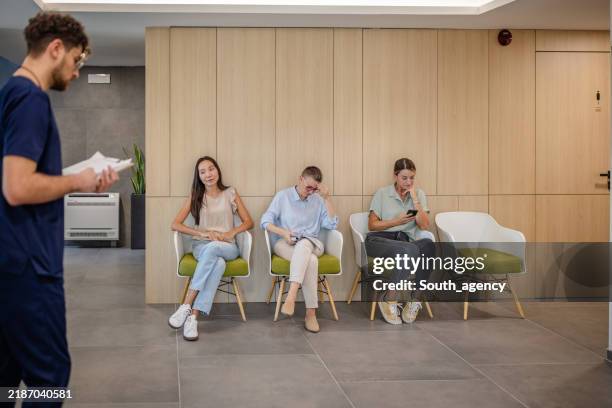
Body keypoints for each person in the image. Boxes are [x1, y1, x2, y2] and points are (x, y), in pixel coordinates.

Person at [0, 12, 119, 405]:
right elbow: (17, 187)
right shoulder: (31, 99)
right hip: (30, 269)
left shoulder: (9, 94)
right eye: (76, 60)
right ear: (55, 48)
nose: (77, 72)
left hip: (10, 263)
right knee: (49, 376)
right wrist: (80, 181)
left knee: (8, 373)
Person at [168, 156, 253, 341]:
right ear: (198, 177)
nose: (208, 174)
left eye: (211, 169)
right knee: (219, 264)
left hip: (228, 246)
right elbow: (175, 224)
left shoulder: (230, 193)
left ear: (218, 170)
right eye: (203, 172)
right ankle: (193, 318)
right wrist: (202, 234)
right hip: (201, 246)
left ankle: (186, 304)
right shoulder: (196, 196)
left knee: (216, 249)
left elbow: (249, 222)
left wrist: (231, 232)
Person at [260, 166, 338, 333]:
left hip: (312, 243)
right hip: (286, 243)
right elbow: (265, 221)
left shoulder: (318, 200)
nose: (310, 191)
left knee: (305, 244)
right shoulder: (283, 196)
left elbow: (331, 224)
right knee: (310, 261)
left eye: (314, 188)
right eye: (308, 187)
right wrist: (283, 232)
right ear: (300, 179)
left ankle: (292, 293)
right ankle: (311, 314)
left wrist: (327, 198)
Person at [366, 158, 435, 325]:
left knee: (429, 246)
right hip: (379, 241)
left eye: (412, 177)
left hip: (406, 242)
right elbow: (372, 225)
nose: (408, 182)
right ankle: (389, 298)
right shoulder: (382, 193)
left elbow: (425, 225)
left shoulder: (418, 195)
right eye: (404, 178)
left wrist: (415, 198)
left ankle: (414, 301)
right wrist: (396, 222)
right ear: (395, 176)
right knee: (410, 250)